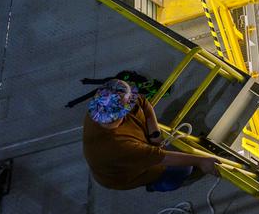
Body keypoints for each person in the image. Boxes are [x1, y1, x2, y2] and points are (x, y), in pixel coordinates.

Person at [81, 79, 219, 191]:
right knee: (183, 170)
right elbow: (162, 158)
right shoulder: (117, 147)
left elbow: (144, 103)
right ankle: (155, 185)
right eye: (130, 103)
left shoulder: (100, 108)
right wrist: (201, 161)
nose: (134, 100)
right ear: (121, 114)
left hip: (139, 149)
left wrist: (154, 132)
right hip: (125, 174)